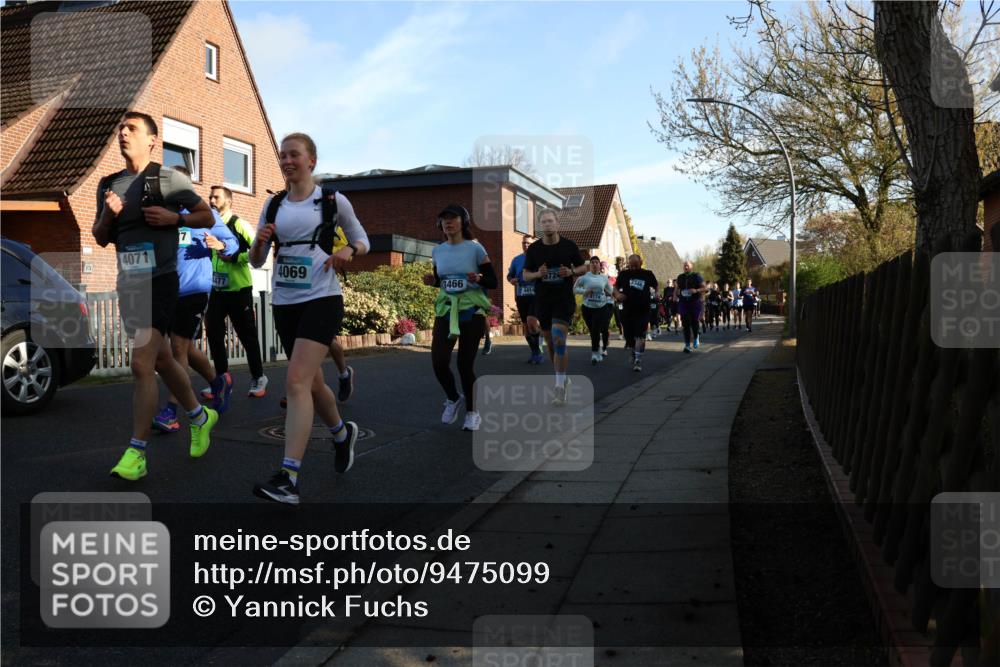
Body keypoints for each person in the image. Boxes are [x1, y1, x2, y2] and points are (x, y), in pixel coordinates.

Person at [91, 111, 219, 480]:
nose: (123, 133)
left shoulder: (168, 178)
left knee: (141, 363)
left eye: (131, 128)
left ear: (152, 140)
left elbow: (207, 216)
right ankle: (199, 416)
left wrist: (175, 218)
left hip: (160, 280)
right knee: (162, 358)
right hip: (128, 283)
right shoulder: (109, 184)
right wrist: (108, 215)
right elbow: (100, 237)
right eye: (121, 128)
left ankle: (137, 453)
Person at [249, 133, 368, 505]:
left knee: (296, 381)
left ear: (311, 160)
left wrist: (348, 250)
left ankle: (289, 477)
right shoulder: (273, 204)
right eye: (283, 155)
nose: (287, 161)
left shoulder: (332, 200)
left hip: (322, 298)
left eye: (294, 155)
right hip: (286, 301)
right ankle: (341, 435)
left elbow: (363, 239)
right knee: (313, 384)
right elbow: (255, 260)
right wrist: (260, 242)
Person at [151, 168, 240, 433]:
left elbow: (233, 242)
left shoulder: (205, 214)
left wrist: (220, 246)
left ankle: (172, 410)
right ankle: (218, 382)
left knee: (178, 347)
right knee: (186, 348)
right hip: (168, 290)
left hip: (195, 289)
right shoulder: (161, 215)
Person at [422, 205, 495, 431]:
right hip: (446, 310)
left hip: (472, 310)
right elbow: (441, 281)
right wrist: (432, 281)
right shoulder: (438, 251)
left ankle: (472, 413)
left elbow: (492, 281)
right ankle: (453, 398)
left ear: (463, 222)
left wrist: (479, 278)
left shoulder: (475, 248)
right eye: (444, 219)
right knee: (438, 362)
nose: (448, 222)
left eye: (452, 218)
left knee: (464, 364)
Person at [202, 185, 268, 399]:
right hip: (216, 289)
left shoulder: (238, 224)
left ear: (228, 201)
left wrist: (235, 257)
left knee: (247, 335)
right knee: (214, 334)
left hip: (239, 289)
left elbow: (259, 251)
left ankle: (258, 377)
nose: (211, 200)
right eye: (210, 197)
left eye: (216, 197)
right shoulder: (209, 224)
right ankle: (221, 380)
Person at [522, 208, 587, 405]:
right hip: (543, 301)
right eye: (544, 222)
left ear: (557, 223)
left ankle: (559, 388)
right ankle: (562, 377)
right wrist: (538, 274)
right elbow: (525, 275)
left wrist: (571, 272)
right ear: (540, 226)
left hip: (563, 300)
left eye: (550, 221)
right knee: (550, 342)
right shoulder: (534, 249)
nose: (547, 224)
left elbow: (583, 267)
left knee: (559, 339)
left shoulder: (569, 246)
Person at [614, 254, 658, 371]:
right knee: (629, 336)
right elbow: (615, 287)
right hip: (627, 310)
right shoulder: (624, 274)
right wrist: (618, 294)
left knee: (640, 335)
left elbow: (655, 286)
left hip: (643, 310)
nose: (633, 268)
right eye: (631, 265)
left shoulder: (647, 274)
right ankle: (633, 350)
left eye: (635, 265)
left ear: (641, 263)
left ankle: (638, 360)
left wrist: (656, 293)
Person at [507, 235, 544, 364]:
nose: (526, 245)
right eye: (524, 243)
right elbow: (509, 275)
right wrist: (512, 280)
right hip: (521, 296)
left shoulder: (539, 259)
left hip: (535, 295)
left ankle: (538, 350)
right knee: (526, 328)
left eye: (529, 243)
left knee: (531, 321)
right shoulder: (516, 260)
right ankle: (535, 352)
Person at [574, 256, 613, 364]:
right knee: (592, 331)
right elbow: (574, 289)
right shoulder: (584, 278)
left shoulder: (604, 278)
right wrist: (585, 292)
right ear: (589, 265)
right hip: (587, 307)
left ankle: (595, 353)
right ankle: (597, 348)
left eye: (597, 262)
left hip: (601, 307)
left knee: (596, 329)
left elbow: (611, 290)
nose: (595, 264)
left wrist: (610, 294)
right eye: (593, 262)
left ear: (600, 265)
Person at [674, 261, 707, 353]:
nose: (686, 267)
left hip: (695, 302)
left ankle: (696, 337)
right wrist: (675, 295)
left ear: (691, 267)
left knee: (694, 322)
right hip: (684, 303)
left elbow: (705, 288)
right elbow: (677, 288)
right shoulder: (680, 277)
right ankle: (687, 345)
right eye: (684, 266)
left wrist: (696, 290)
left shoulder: (696, 276)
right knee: (686, 323)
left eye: (687, 266)